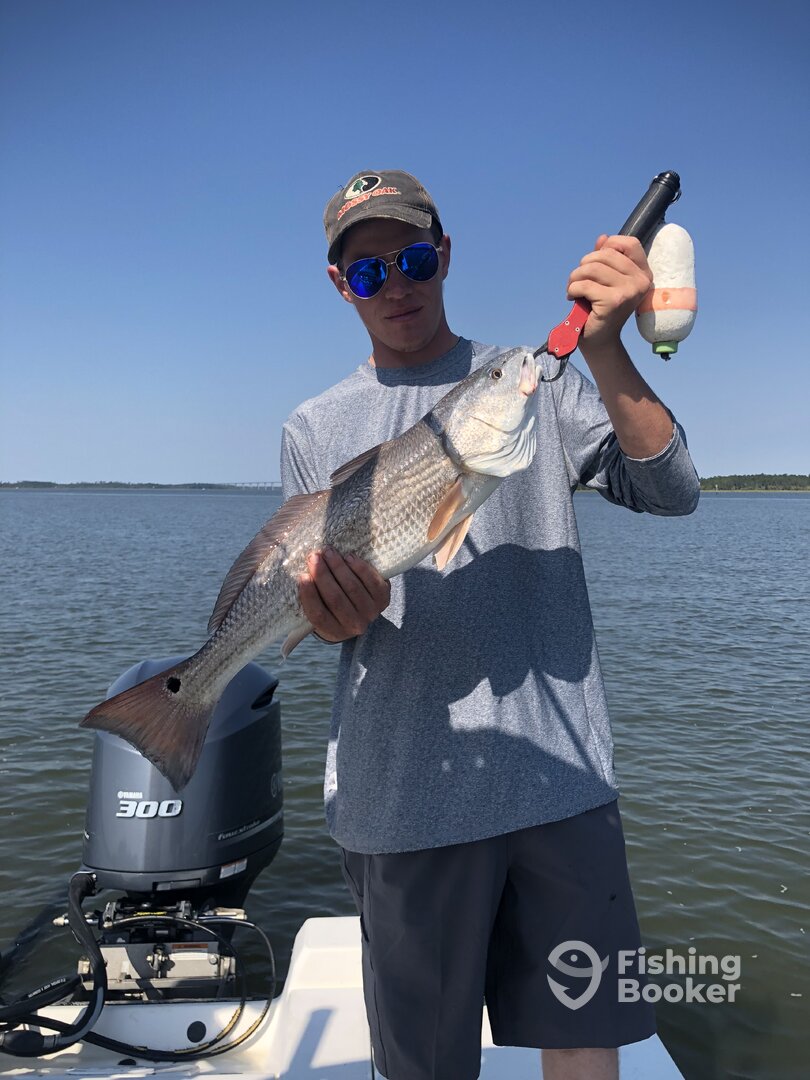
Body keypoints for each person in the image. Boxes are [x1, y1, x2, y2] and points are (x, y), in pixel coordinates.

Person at [280, 170, 700, 1080]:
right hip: (402, 798)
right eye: (368, 272)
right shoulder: (314, 427)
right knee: (424, 1064)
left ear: (445, 256)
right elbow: (323, 616)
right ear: (341, 285)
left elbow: (672, 492)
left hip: (563, 784)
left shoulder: (534, 377)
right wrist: (329, 615)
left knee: (585, 1040)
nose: (396, 285)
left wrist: (606, 351)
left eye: (414, 259)